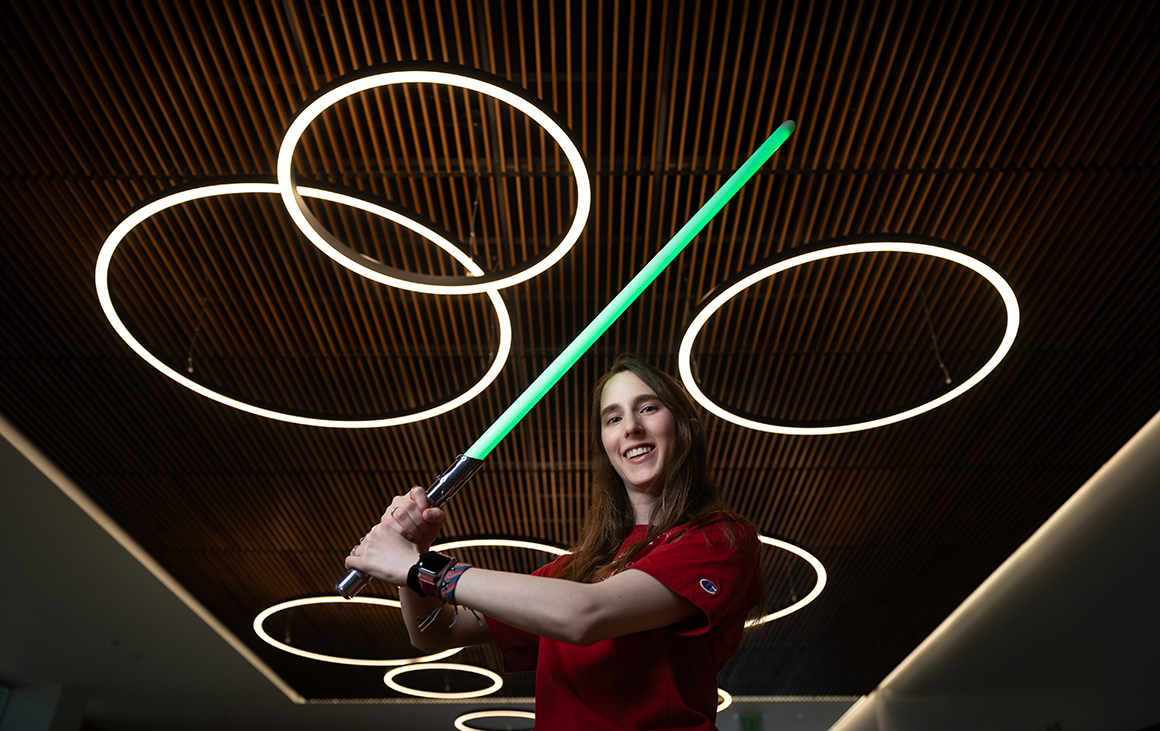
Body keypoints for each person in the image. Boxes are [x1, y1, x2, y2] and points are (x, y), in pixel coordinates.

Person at [346, 355, 761, 730]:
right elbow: (436, 630)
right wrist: (417, 554)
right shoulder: (578, 570)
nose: (631, 426)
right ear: (605, 444)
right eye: (612, 418)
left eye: (648, 408)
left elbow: (584, 615)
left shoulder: (719, 539)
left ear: (685, 428)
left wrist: (419, 570)